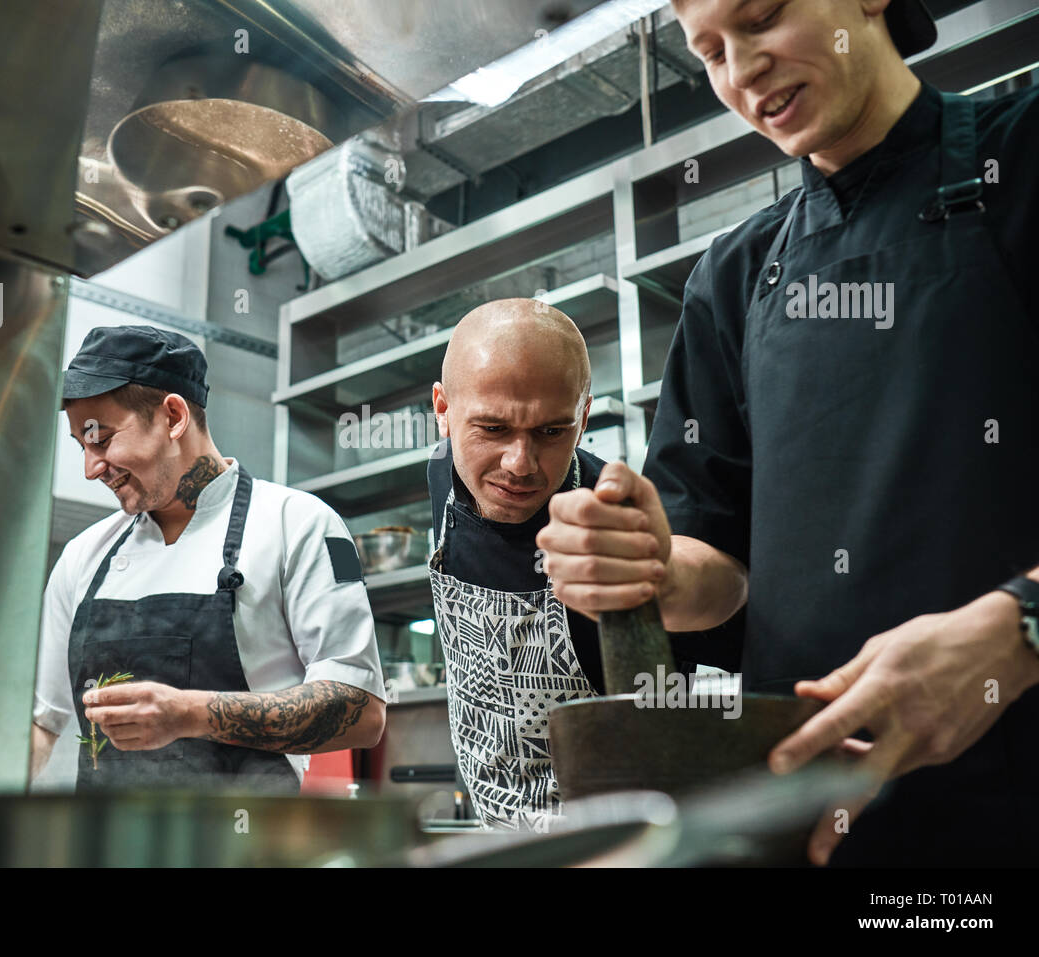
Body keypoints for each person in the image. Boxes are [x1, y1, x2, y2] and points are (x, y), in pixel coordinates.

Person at [537, 0, 1039, 865]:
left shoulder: (1026, 156)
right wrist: (650, 564)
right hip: (813, 828)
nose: (741, 70)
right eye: (711, 53)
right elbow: (719, 567)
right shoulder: (732, 278)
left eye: (762, 16)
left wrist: (1020, 630)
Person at [31, 325, 386, 792]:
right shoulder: (83, 557)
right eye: (82, 445)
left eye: (102, 439)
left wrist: (188, 715)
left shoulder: (296, 523)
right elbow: (43, 726)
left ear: (174, 416)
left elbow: (360, 710)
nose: (90, 467)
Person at [425, 298, 630, 828]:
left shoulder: (618, 524)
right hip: (495, 836)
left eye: (551, 432)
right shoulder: (441, 482)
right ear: (443, 411)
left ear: (583, 418)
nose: (519, 465)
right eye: (492, 429)